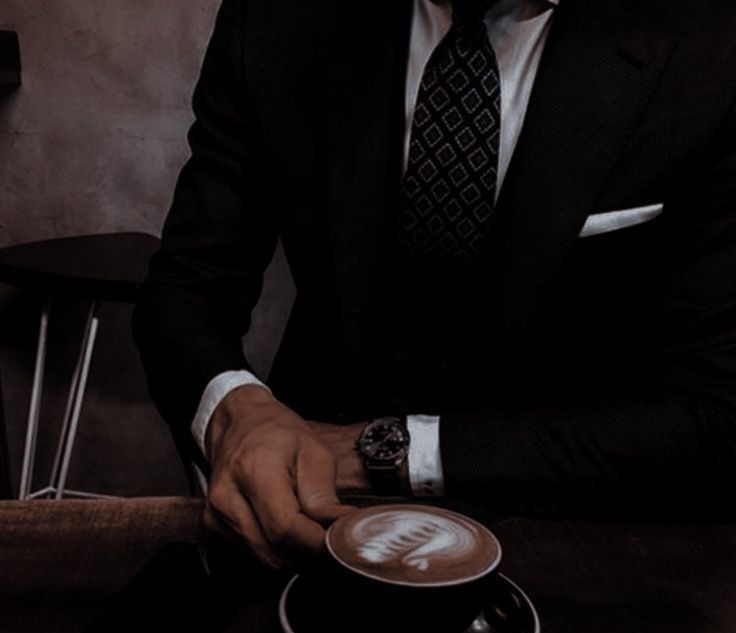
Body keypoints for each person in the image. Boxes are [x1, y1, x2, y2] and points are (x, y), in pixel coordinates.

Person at [133, 0, 736, 568]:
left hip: (577, 535)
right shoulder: (278, 18)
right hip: (308, 524)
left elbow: (716, 413)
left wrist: (388, 454)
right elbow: (188, 286)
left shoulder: (710, 42)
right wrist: (236, 409)